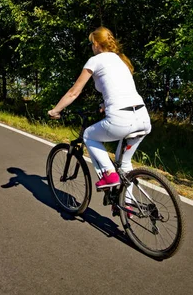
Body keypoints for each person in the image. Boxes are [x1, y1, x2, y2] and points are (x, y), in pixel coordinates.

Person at [48, 26, 151, 189]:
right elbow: (120, 90)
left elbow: (74, 92)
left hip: (121, 120)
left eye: (91, 43)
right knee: (124, 165)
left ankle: (109, 174)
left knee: (89, 135)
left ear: (96, 43)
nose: (91, 47)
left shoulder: (95, 61)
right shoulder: (121, 60)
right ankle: (129, 207)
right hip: (143, 118)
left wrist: (56, 110)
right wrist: (104, 105)